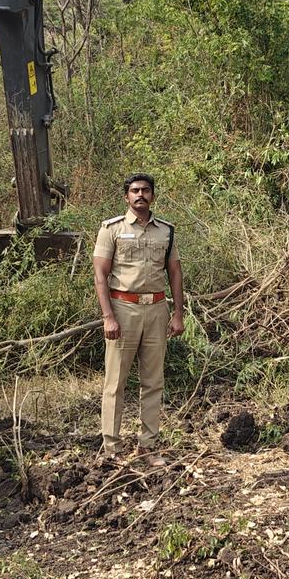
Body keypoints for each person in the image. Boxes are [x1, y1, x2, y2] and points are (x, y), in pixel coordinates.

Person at [92, 173, 185, 466]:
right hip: (123, 309)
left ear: (153, 196)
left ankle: (148, 446)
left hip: (157, 310)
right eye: (134, 191)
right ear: (126, 197)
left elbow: (174, 273)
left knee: (153, 382)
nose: (140, 195)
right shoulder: (112, 230)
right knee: (115, 382)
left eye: (145, 190)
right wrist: (108, 316)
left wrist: (178, 313)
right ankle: (112, 449)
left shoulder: (166, 232)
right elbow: (100, 276)